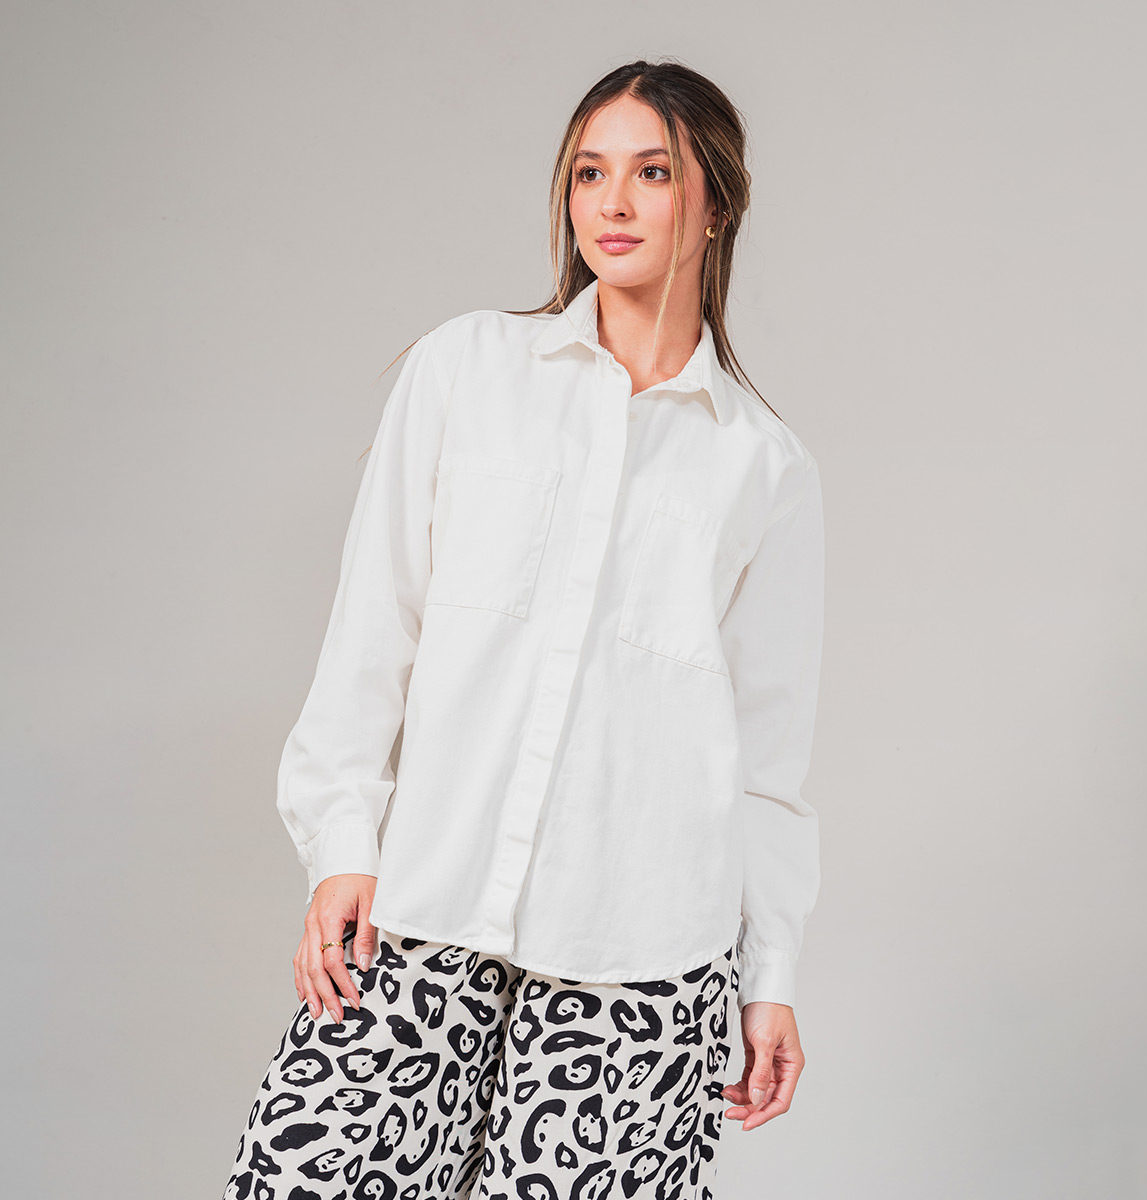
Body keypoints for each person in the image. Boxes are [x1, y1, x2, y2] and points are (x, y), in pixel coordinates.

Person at [224, 57, 825, 1199]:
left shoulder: (765, 466)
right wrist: (342, 843)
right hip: (426, 904)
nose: (613, 202)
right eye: (590, 173)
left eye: (653, 173)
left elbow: (767, 760)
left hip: (641, 957)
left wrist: (771, 975)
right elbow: (374, 626)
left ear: (718, 205)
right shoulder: (467, 371)